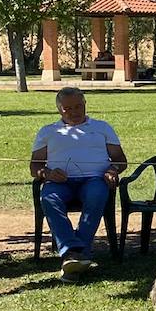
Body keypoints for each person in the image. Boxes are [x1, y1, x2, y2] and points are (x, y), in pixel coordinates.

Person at [29, 88, 127, 282]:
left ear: (85, 105)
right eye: (68, 109)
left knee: (97, 195)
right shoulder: (48, 131)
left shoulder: (102, 127)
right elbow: (35, 165)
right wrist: (47, 173)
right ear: (59, 110)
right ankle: (75, 251)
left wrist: (113, 170)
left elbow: (120, 159)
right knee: (48, 198)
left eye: (78, 106)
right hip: (60, 181)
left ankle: (73, 254)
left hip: (94, 179)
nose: (74, 112)